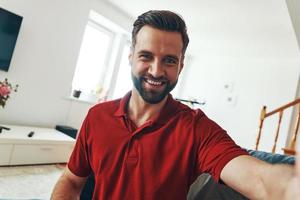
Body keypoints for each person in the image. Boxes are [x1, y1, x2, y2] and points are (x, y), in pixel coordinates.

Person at [51, 10, 300, 200]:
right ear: (131, 57)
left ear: (181, 66)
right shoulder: (97, 116)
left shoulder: (196, 129)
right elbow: (72, 180)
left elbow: (258, 179)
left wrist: (291, 186)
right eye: (146, 56)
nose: (156, 71)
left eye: (169, 60)